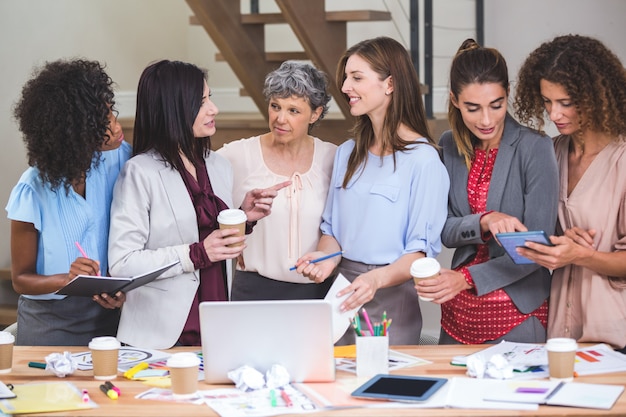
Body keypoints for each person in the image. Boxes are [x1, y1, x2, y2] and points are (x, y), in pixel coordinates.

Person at [108, 60, 289, 349]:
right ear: (174, 108)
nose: (213, 109)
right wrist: (195, 254)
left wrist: (244, 217)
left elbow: (213, 238)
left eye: (210, 98)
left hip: (217, 323)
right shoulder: (139, 172)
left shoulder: (218, 165)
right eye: (201, 101)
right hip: (161, 335)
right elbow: (123, 263)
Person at [294, 36, 450, 345]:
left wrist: (374, 280)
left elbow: (419, 253)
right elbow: (331, 231)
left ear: (389, 84)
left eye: (357, 78)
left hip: (391, 298)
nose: (345, 87)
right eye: (346, 78)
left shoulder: (424, 160)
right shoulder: (347, 153)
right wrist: (326, 258)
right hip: (340, 297)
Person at [415, 39, 559, 345]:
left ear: (507, 94)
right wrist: (485, 220)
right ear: (454, 100)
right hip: (459, 312)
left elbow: (537, 249)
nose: (486, 120)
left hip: (516, 313)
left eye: (497, 105)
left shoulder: (535, 147)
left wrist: (465, 278)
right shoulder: (449, 146)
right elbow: (445, 230)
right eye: (473, 107)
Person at [5, 59, 130, 346]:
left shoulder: (121, 159)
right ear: (76, 132)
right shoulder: (32, 189)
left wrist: (121, 288)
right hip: (49, 324)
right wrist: (66, 280)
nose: (116, 125)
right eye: (104, 120)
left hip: (109, 317)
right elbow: (21, 279)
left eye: (111, 112)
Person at [515, 34, 626, 350]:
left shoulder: (622, 159)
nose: (554, 115)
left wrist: (584, 255)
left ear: (596, 96)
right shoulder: (550, 152)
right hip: (560, 334)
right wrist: (554, 246)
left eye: (566, 103)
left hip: (614, 334)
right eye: (547, 101)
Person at [217, 61, 337, 300]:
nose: (280, 119)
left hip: (318, 293)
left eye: (293, 110)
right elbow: (204, 213)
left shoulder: (334, 158)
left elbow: (342, 228)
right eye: (275, 106)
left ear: (316, 113)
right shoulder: (236, 155)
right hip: (253, 291)